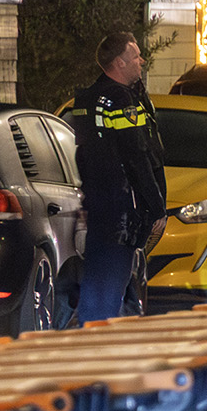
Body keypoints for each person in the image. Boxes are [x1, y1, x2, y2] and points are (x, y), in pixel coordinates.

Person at [65, 31, 166, 323]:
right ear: (120, 63)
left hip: (99, 207)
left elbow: (84, 156)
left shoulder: (89, 98)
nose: (141, 61)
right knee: (109, 290)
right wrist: (156, 205)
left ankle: (91, 337)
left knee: (98, 285)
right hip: (122, 211)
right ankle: (99, 347)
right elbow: (137, 156)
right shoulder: (120, 100)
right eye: (135, 56)